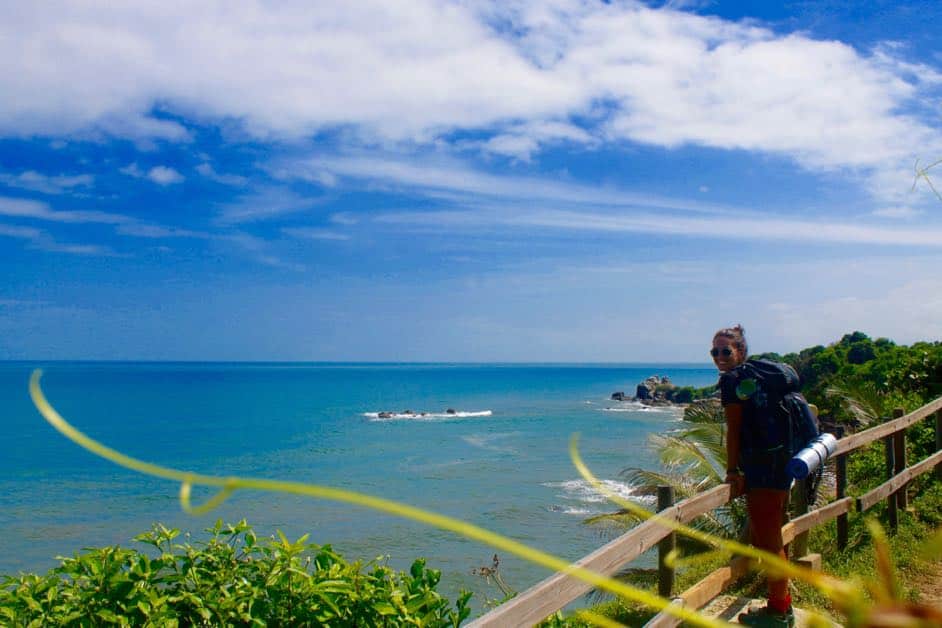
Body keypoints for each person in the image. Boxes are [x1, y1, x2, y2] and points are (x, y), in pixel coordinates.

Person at [712, 325, 795, 628]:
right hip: (782, 462)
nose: (719, 357)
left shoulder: (733, 381)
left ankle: (779, 613)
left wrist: (732, 470)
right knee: (770, 538)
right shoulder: (759, 376)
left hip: (763, 469)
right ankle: (781, 605)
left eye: (725, 350)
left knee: (770, 543)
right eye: (714, 351)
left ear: (741, 351)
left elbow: (734, 431)